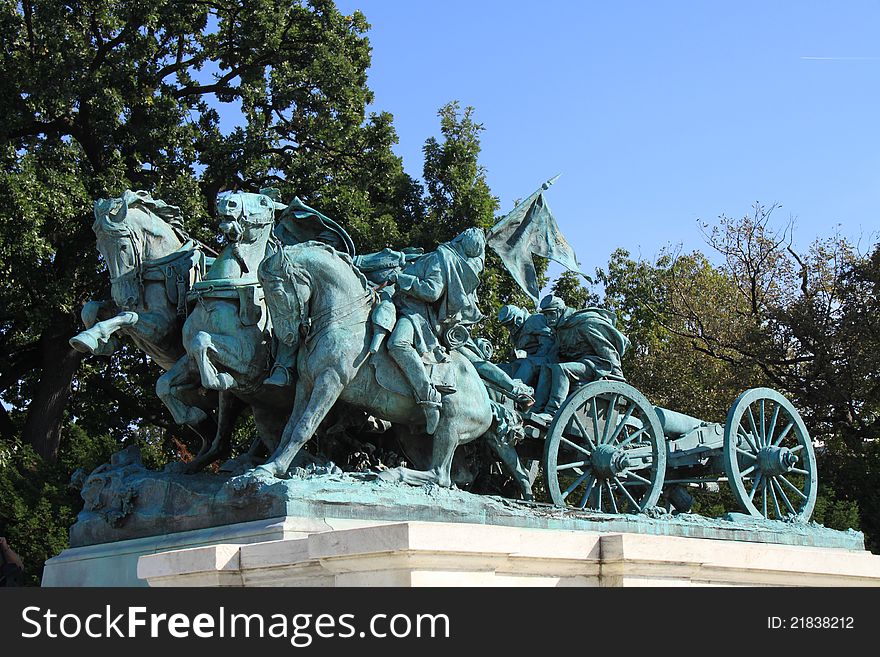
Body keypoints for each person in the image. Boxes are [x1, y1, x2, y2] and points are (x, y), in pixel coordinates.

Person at [386, 227, 486, 434]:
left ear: (460, 237)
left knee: (398, 344)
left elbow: (431, 291)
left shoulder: (443, 258)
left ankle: (428, 398)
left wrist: (403, 279)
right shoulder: (440, 256)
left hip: (414, 313)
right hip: (397, 303)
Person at [531, 294, 629, 420]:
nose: (548, 318)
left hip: (595, 365)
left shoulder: (584, 323)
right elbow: (553, 355)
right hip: (578, 365)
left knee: (562, 369)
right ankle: (536, 409)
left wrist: (617, 378)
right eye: (545, 315)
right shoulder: (560, 330)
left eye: (551, 314)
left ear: (560, 311)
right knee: (547, 368)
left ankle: (552, 412)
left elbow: (606, 349)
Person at [497, 304, 556, 387]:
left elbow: (548, 346)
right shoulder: (516, 333)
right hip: (524, 362)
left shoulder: (535, 320)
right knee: (501, 368)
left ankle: (517, 390)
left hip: (547, 359)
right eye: (507, 325)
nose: (509, 328)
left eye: (510, 324)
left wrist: (527, 356)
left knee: (527, 364)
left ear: (518, 318)